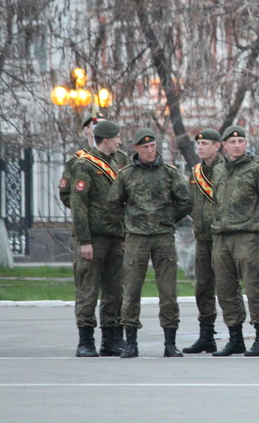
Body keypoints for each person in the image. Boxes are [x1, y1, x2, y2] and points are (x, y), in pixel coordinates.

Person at [108, 128, 192, 358]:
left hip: (163, 238)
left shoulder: (169, 173)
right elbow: (114, 203)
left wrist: (168, 219)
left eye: (153, 146)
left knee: (168, 292)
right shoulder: (126, 175)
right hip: (136, 239)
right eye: (145, 147)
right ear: (136, 149)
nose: (150, 150)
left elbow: (185, 201)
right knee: (132, 291)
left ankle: (170, 343)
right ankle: (132, 342)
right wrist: (128, 224)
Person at [210, 125, 259, 357]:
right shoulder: (218, 170)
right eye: (232, 142)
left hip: (248, 236)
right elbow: (215, 202)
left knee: (253, 288)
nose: (237, 145)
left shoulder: (257, 169)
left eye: (241, 141)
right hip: (221, 237)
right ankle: (235, 338)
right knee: (226, 289)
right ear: (224, 146)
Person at [69, 120, 125, 357]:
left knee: (114, 289)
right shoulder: (85, 165)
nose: (120, 141)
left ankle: (111, 339)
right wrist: (84, 240)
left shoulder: (119, 161)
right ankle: (86, 340)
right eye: (117, 138)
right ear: (106, 140)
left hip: (117, 235)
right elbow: (78, 204)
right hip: (94, 238)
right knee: (88, 289)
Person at [181, 129, 224, 354]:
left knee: (228, 288)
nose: (200, 147)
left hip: (223, 236)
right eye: (199, 144)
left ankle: (236, 335)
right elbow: (190, 201)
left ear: (217, 146)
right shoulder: (196, 171)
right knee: (203, 287)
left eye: (205, 143)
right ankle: (206, 335)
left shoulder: (226, 169)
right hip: (203, 239)